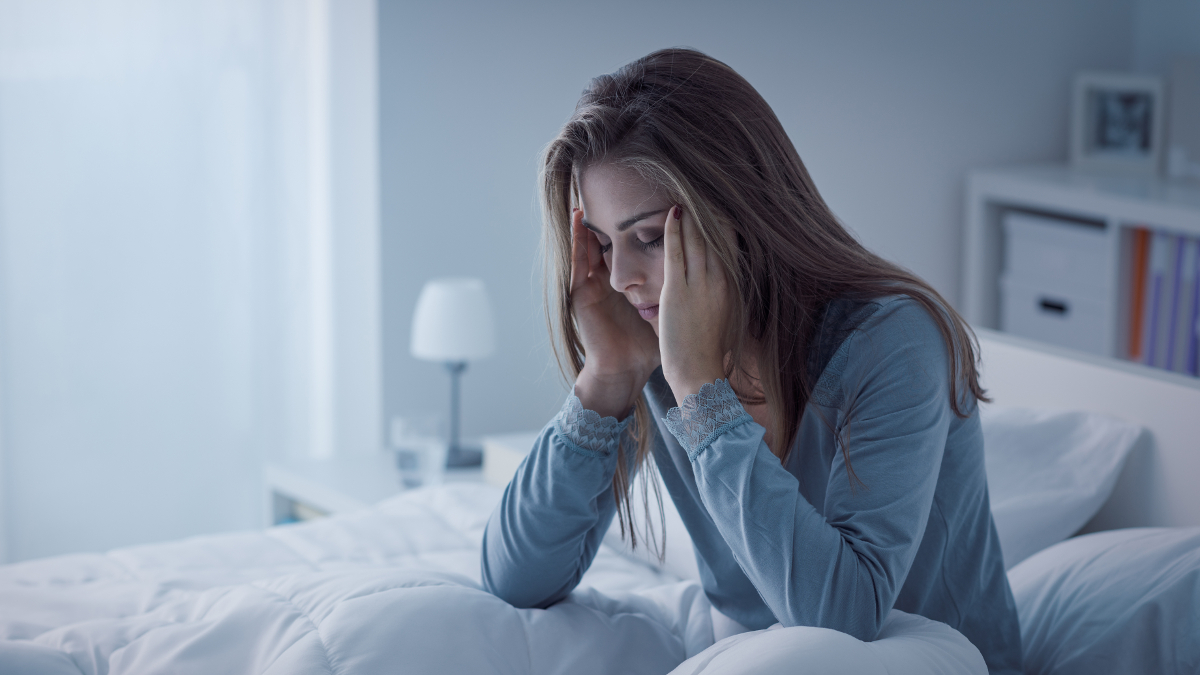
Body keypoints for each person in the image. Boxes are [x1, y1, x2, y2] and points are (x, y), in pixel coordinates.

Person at [480, 48, 1022, 674]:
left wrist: (702, 392)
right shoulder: (652, 342)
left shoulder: (893, 341)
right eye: (603, 245)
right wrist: (607, 376)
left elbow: (843, 621)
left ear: (741, 212)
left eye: (650, 238)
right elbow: (514, 581)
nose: (623, 277)